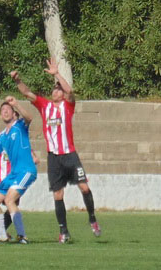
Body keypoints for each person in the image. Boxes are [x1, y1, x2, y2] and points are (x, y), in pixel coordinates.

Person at [11, 58, 101, 243]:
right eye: (54, 89)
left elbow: (71, 92)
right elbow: (27, 93)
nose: (56, 91)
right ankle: (63, 231)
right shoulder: (45, 106)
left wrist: (57, 74)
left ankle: (92, 219)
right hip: (54, 157)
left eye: (59, 89)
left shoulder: (68, 106)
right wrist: (17, 80)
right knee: (58, 194)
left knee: (84, 187)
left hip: (70, 155)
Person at [0, 96, 37, 244]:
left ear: (14, 113)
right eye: (2, 110)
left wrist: (17, 104)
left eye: (8, 109)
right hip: (13, 174)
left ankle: (22, 236)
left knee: (9, 200)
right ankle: (2, 235)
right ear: (0, 116)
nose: (5, 111)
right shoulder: (2, 136)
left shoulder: (20, 126)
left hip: (26, 171)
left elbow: (29, 117)